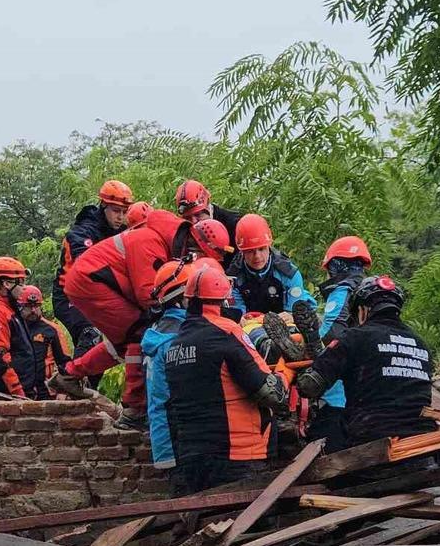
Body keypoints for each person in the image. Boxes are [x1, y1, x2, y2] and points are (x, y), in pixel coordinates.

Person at [48, 209, 232, 430]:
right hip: (91, 281)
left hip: (97, 280)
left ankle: (70, 374)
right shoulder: (149, 242)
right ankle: (134, 409)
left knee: (123, 343)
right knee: (140, 332)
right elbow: (149, 295)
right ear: (194, 246)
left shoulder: (165, 242)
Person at [163, 263, 288, 495]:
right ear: (225, 300)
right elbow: (272, 393)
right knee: (249, 518)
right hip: (238, 456)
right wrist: (284, 371)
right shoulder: (227, 333)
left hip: (191, 459)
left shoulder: (175, 345)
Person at [295, 275, 435, 453]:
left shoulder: (354, 337)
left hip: (372, 440)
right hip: (423, 441)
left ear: (362, 310)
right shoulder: (421, 345)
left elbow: (308, 386)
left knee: (326, 424)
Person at [51, 179, 133, 382]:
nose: (120, 217)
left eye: (124, 212)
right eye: (116, 211)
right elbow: (86, 267)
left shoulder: (122, 231)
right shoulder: (82, 232)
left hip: (96, 295)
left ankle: (87, 389)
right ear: (103, 206)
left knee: (109, 344)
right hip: (69, 295)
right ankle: (69, 383)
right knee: (91, 333)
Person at [139, 260, 192, 470]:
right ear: (180, 297)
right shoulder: (179, 337)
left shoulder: (159, 331)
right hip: (181, 441)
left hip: (165, 440)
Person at [227, 213, 315, 316]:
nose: (257, 256)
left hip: (285, 316)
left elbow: (293, 311)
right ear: (242, 251)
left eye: (261, 249)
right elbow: (239, 315)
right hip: (252, 321)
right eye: (250, 251)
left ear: (269, 246)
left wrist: (290, 316)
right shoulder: (233, 278)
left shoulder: (288, 273)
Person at [0, 256, 34, 397]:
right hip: (6, 393)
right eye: (21, 283)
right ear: (7, 284)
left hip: (22, 389)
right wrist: (17, 392)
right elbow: (1, 358)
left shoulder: (10, 310)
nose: (24, 288)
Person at [16, 285, 71, 400]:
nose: (33, 310)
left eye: (36, 306)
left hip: (45, 391)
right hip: (18, 389)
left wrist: (63, 391)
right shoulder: (14, 327)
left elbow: (65, 362)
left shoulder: (52, 330)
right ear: (20, 306)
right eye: (28, 306)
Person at [174, 179, 242, 264]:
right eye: (188, 218)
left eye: (198, 215)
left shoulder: (234, 225)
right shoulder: (183, 230)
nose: (194, 222)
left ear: (208, 207)